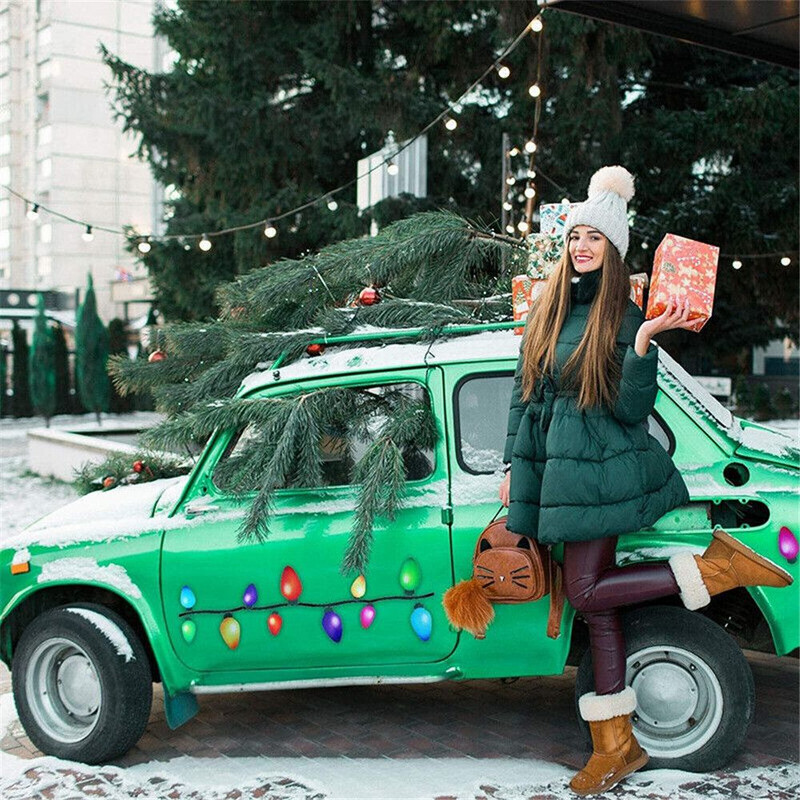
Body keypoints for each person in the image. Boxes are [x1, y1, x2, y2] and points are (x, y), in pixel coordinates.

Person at [499, 166, 793, 797]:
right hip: (556, 474)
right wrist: (509, 466)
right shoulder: (549, 309)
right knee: (602, 611)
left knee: (584, 591)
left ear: (613, 251)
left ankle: (714, 568)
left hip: (600, 474)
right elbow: (525, 395)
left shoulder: (624, 315)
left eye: (595, 239)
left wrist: (645, 342)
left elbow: (632, 410)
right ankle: (617, 747)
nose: (582, 247)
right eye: (576, 236)